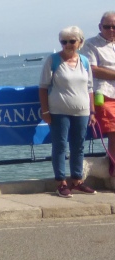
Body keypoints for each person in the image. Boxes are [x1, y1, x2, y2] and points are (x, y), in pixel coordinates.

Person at [39, 26, 95, 197]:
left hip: (82, 111)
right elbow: (43, 87)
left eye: (72, 41)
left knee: (78, 146)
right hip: (59, 111)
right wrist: (46, 112)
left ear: (80, 42)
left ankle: (77, 180)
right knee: (60, 146)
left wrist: (92, 111)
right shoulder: (53, 60)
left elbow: (90, 87)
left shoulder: (84, 61)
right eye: (64, 42)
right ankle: (61, 182)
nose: (68, 45)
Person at [81, 12, 115, 174]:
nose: (111, 30)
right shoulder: (91, 44)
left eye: (114, 27)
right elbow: (92, 70)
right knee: (114, 131)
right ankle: (113, 169)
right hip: (105, 94)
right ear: (100, 27)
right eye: (107, 27)